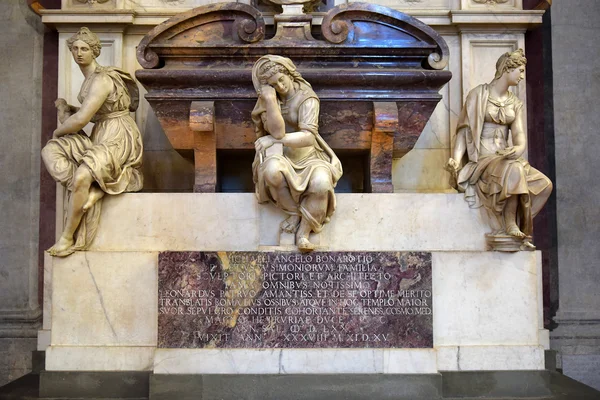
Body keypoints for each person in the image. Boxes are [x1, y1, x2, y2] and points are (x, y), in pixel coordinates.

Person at [42, 27, 143, 257]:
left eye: (85, 49)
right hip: (102, 133)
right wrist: (70, 109)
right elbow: (94, 111)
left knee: (80, 172)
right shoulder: (88, 80)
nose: (79, 53)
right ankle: (88, 190)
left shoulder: (101, 79)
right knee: (51, 151)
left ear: (95, 51)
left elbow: (81, 120)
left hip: (119, 137)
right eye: (76, 48)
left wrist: (59, 130)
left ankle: (67, 237)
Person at [446, 49, 552, 249]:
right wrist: (456, 160)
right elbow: (464, 132)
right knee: (514, 170)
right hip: (483, 160)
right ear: (507, 69)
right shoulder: (478, 95)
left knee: (544, 185)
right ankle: (509, 224)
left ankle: (519, 224)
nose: (522, 76)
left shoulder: (515, 103)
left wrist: (518, 148)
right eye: (520, 71)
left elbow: (519, 136)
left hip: (506, 158)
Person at [251, 55, 343, 251]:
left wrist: (273, 140)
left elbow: (309, 137)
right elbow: (278, 131)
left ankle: (303, 232)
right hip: (282, 156)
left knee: (321, 183)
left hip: (310, 157)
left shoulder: (307, 98)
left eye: (281, 79)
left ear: (290, 74)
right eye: (274, 84)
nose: (280, 86)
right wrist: (269, 99)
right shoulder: (269, 99)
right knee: (272, 171)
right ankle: (294, 213)